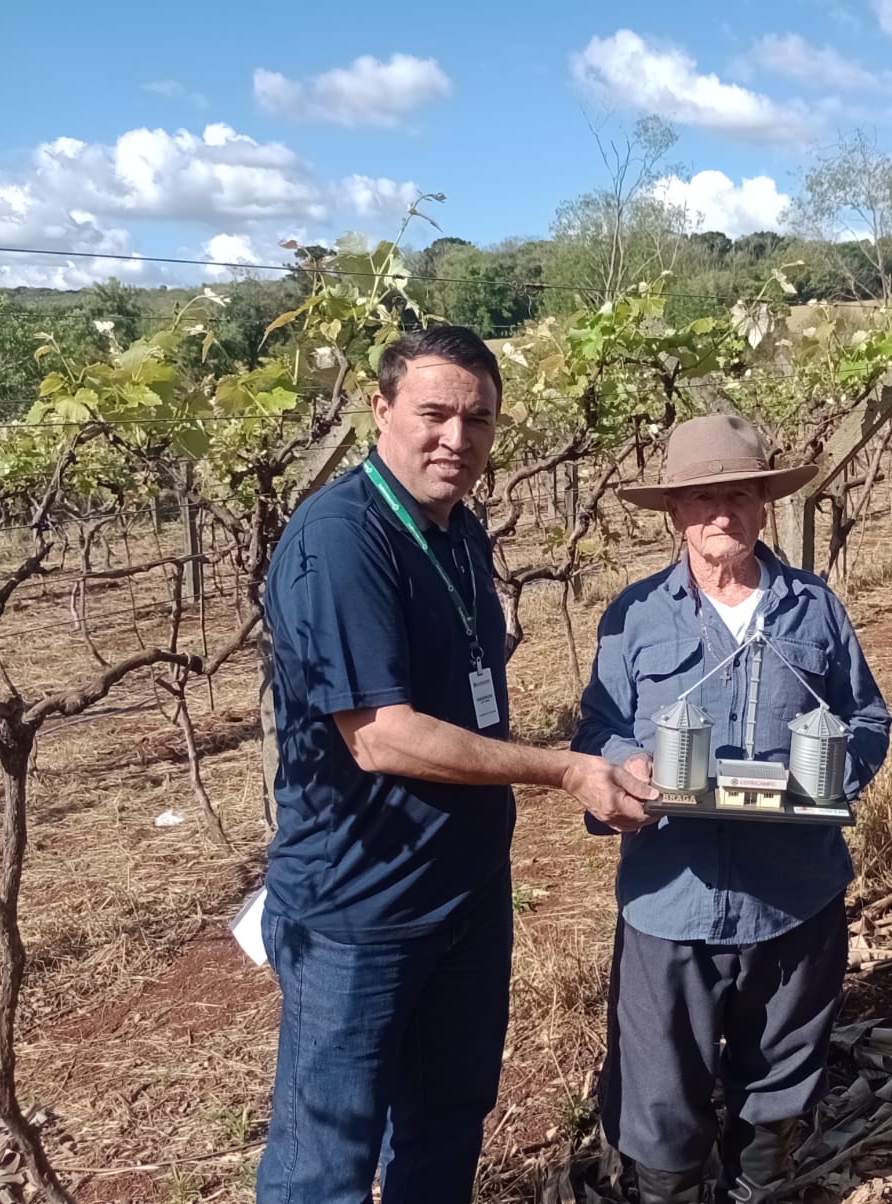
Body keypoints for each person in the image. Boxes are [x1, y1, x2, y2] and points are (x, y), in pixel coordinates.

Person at [257, 325, 658, 1204]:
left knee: (446, 1121)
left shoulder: (459, 529)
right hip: (361, 908)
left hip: (464, 893)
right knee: (326, 1159)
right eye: (434, 414)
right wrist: (563, 768)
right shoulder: (343, 540)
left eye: (478, 420)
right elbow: (380, 735)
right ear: (380, 410)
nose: (457, 439)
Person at [574, 414, 891, 1204]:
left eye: (741, 495)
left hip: (793, 898)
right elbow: (600, 728)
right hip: (670, 898)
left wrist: (835, 778)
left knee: (778, 1087)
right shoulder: (634, 615)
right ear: (674, 512)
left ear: (764, 505)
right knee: (658, 1099)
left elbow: (867, 719)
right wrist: (624, 764)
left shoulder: (815, 608)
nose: (723, 512)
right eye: (703, 498)